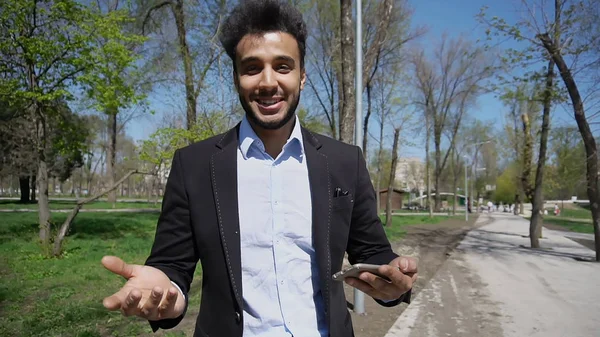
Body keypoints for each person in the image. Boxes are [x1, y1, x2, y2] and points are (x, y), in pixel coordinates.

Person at [100, 1, 417, 336]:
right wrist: (167, 295)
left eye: (283, 66)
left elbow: (373, 252)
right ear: (237, 78)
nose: (268, 82)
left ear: (302, 76)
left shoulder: (344, 162)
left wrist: (393, 278)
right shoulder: (193, 165)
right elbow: (171, 268)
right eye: (252, 68)